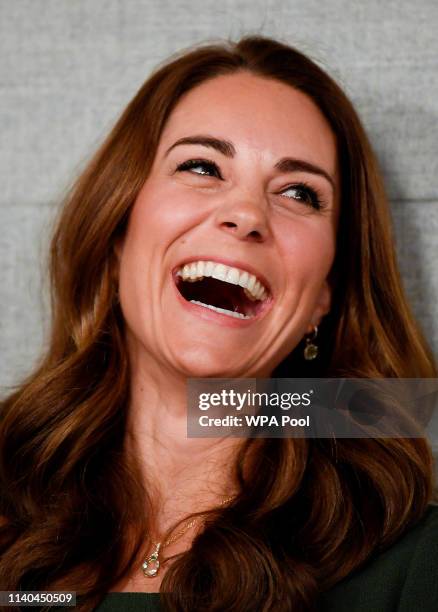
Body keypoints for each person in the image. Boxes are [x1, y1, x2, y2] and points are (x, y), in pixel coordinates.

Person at [0, 35, 437, 612]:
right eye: (202, 166)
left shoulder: (412, 563)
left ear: (323, 299)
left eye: (300, 193)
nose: (247, 214)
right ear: (115, 240)